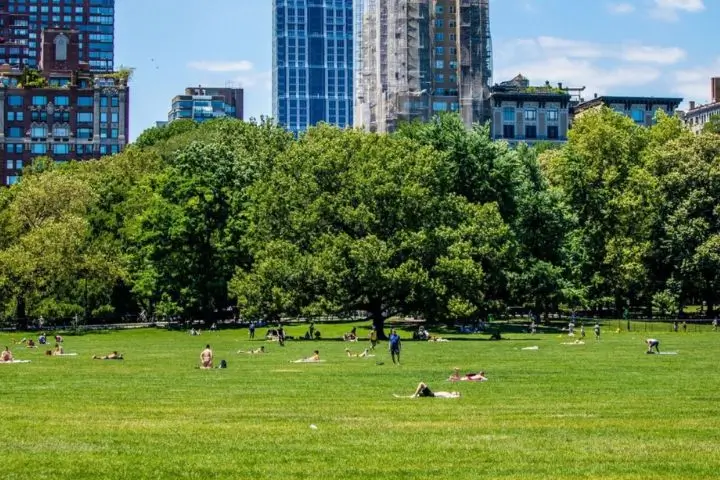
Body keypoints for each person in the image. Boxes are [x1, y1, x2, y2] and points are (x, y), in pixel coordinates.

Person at [396, 382, 460, 399]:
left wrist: (457, 395)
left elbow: (457, 397)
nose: (455, 391)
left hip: (432, 394)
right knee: (418, 395)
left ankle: (414, 396)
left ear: (455, 394)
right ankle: (401, 397)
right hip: (432, 394)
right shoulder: (449, 394)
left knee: (421, 384)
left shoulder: (451, 396)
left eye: (456, 392)